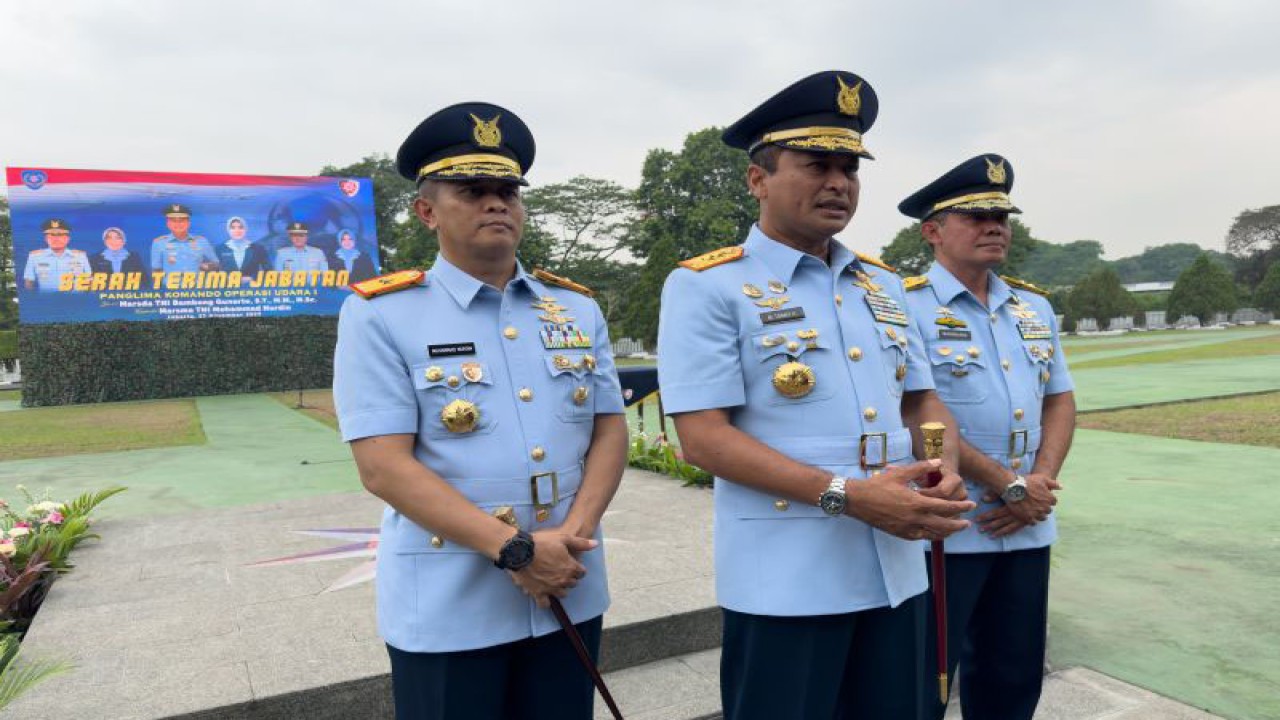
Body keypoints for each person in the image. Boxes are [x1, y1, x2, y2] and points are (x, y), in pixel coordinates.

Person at [657, 70, 975, 720]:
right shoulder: (707, 287)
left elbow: (920, 401)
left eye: (850, 168)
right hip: (786, 580)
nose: (839, 182)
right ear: (758, 179)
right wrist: (849, 496)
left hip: (895, 569)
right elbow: (702, 437)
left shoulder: (882, 286)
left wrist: (944, 465)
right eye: (816, 165)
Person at [332, 102, 628, 720]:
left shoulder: (574, 309)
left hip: (568, 586)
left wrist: (570, 539)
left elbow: (608, 429)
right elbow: (383, 467)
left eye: (508, 191)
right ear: (426, 211)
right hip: (449, 599)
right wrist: (518, 551)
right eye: (473, 191)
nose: (498, 203)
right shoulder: (382, 312)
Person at [898, 154, 1077, 720]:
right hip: (949, 527)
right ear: (932, 231)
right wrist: (1007, 485)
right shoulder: (901, 305)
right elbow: (915, 411)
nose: (994, 226)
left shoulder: (1033, 307)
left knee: (1014, 672)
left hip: (1026, 524)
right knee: (928, 677)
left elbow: (1060, 399)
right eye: (975, 215)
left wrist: (1038, 482)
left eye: (1002, 216)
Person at [22, 218, 91, 291]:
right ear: (46, 239)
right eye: (52, 235)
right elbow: (29, 283)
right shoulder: (35, 257)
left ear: (68, 239)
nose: (56, 239)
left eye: (60, 235)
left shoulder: (80, 256)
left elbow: (89, 282)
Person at [149, 204, 220, 272]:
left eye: (182, 220)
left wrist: (207, 266)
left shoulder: (202, 241)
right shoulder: (159, 243)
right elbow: (156, 269)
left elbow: (216, 264)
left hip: (196, 283)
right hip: (169, 284)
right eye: (173, 221)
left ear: (188, 223)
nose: (178, 224)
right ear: (168, 224)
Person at [214, 216, 269, 283]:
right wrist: (227, 279)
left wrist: (252, 279)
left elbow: (269, 272)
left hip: (251, 290)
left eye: (240, 227)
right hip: (227, 290)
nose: (237, 231)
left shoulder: (258, 248)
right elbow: (213, 274)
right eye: (233, 228)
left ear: (245, 229)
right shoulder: (220, 249)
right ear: (228, 230)